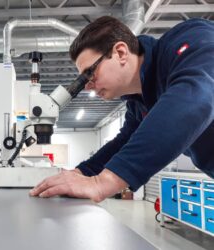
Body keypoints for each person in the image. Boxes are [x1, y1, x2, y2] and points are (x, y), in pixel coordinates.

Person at [30, 16, 214, 202]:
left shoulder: (193, 39)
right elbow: (125, 142)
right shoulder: (140, 101)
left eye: (89, 74)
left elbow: (194, 100)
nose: (87, 86)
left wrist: (103, 183)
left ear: (120, 52)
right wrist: (81, 173)